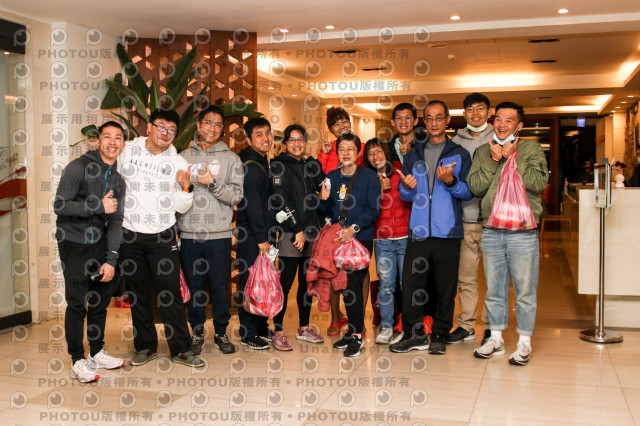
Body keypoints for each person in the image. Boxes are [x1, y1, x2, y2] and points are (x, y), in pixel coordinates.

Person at [118, 109, 204, 368]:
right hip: (130, 233)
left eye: (171, 130)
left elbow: (181, 206)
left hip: (162, 235)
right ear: (149, 127)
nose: (166, 133)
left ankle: (181, 349)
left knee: (170, 293)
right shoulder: (127, 151)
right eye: (161, 127)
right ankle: (145, 346)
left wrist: (186, 186)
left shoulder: (178, 163)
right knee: (138, 293)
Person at [468, 102, 548, 366]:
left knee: (525, 290)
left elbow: (538, 183)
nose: (502, 124)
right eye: (498, 119)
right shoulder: (483, 150)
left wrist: (515, 156)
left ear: (519, 125)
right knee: (494, 288)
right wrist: (493, 159)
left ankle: (524, 342)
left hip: (523, 231)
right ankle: (496, 338)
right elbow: (476, 187)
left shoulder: (531, 149)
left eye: (509, 120)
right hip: (492, 230)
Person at [390, 100, 473, 356]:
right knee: (412, 284)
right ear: (423, 121)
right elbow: (405, 193)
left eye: (439, 117)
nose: (434, 122)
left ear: (447, 120)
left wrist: (450, 181)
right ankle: (414, 334)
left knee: (444, 288)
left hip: (447, 232)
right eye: (429, 118)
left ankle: (439, 334)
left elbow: (468, 192)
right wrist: (407, 187)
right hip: (419, 232)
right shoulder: (413, 154)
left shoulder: (459, 154)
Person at [54, 121, 127, 383]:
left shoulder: (118, 180)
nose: (112, 142)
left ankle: (96, 352)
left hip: (100, 245)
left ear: (123, 144)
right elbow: (60, 205)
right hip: (73, 243)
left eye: (117, 138)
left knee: (99, 302)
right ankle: (77, 359)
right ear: (98, 141)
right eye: (107, 137)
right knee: (77, 303)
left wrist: (111, 258)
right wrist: (97, 206)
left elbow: (116, 220)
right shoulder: (78, 167)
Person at [178, 105, 243, 355]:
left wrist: (213, 183)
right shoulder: (183, 157)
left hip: (219, 236)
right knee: (195, 287)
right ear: (199, 125)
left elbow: (236, 196)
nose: (212, 128)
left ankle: (221, 332)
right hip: (190, 235)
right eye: (208, 123)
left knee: (219, 287)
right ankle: (196, 333)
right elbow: (174, 195)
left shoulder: (231, 159)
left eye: (217, 125)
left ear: (222, 129)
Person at [319, 133, 380, 357]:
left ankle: (357, 335)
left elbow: (374, 210)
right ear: (337, 153)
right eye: (342, 149)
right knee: (344, 286)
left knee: (354, 284)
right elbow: (326, 210)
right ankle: (353, 330)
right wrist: (322, 198)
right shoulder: (332, 176)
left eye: (350, 149)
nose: (346, 154)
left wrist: (353, 229)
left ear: (358, 152)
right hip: (338, 238)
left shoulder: (369, 177)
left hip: (360, 238)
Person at [269, 124, 326, 350]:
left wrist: (315, 160)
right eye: (292, 140)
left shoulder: (308, 164)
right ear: (285, 143)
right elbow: (280, 200)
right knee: (285, 283)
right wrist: (297, 229)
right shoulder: (278, 165)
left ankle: (304, 327)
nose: (296, 144)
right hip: (289, 232)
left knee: (307, 282)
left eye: (300, 139)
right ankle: (278, 330)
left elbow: (324, 185)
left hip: (311, 232)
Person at [448, 93, 494, 345]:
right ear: (463, 113)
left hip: (493, 221)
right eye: (470, 109)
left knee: (495, 279)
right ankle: (466, 325)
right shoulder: (455, 142)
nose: (475, 113)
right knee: (466, 278)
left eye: (480, 108)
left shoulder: (500, 138)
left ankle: (491, 327)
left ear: (489, 112)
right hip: (464, 219)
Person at [317, 107, 368, 336]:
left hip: (360, 220)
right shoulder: (328, 151)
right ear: (331, 129)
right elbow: (323, 181)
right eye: (336, 124)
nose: (341, 126)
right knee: (333, 270)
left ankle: (359, 320)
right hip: (335, 221)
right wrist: (325, 153)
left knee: (360, 269)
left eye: (344, 121)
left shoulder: (362, 148)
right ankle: (336, 318)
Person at [363, 138, 411, 344]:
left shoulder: (400, 169)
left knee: (406, 284)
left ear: (386, 152)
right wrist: (378, 190)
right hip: (383, 240)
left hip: (405, 237)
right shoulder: (366, 177)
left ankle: (408, 326)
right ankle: (387, 326)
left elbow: (412, 196)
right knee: (386, 285)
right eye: (370, 153)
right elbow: (362, 206)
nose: (375, 157)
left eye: (379, 151)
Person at [236, 117, 275, 350]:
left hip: (261, 234)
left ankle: (260, 327)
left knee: (262, 281)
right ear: (249, 140)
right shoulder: (251, 166)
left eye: (268, 133)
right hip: (252, 236)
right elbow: (252, 205)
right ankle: (248, 332)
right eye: (259, 135)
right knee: (251, 282)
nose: (265, 138)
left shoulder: (261, 161)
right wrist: (261, 237)